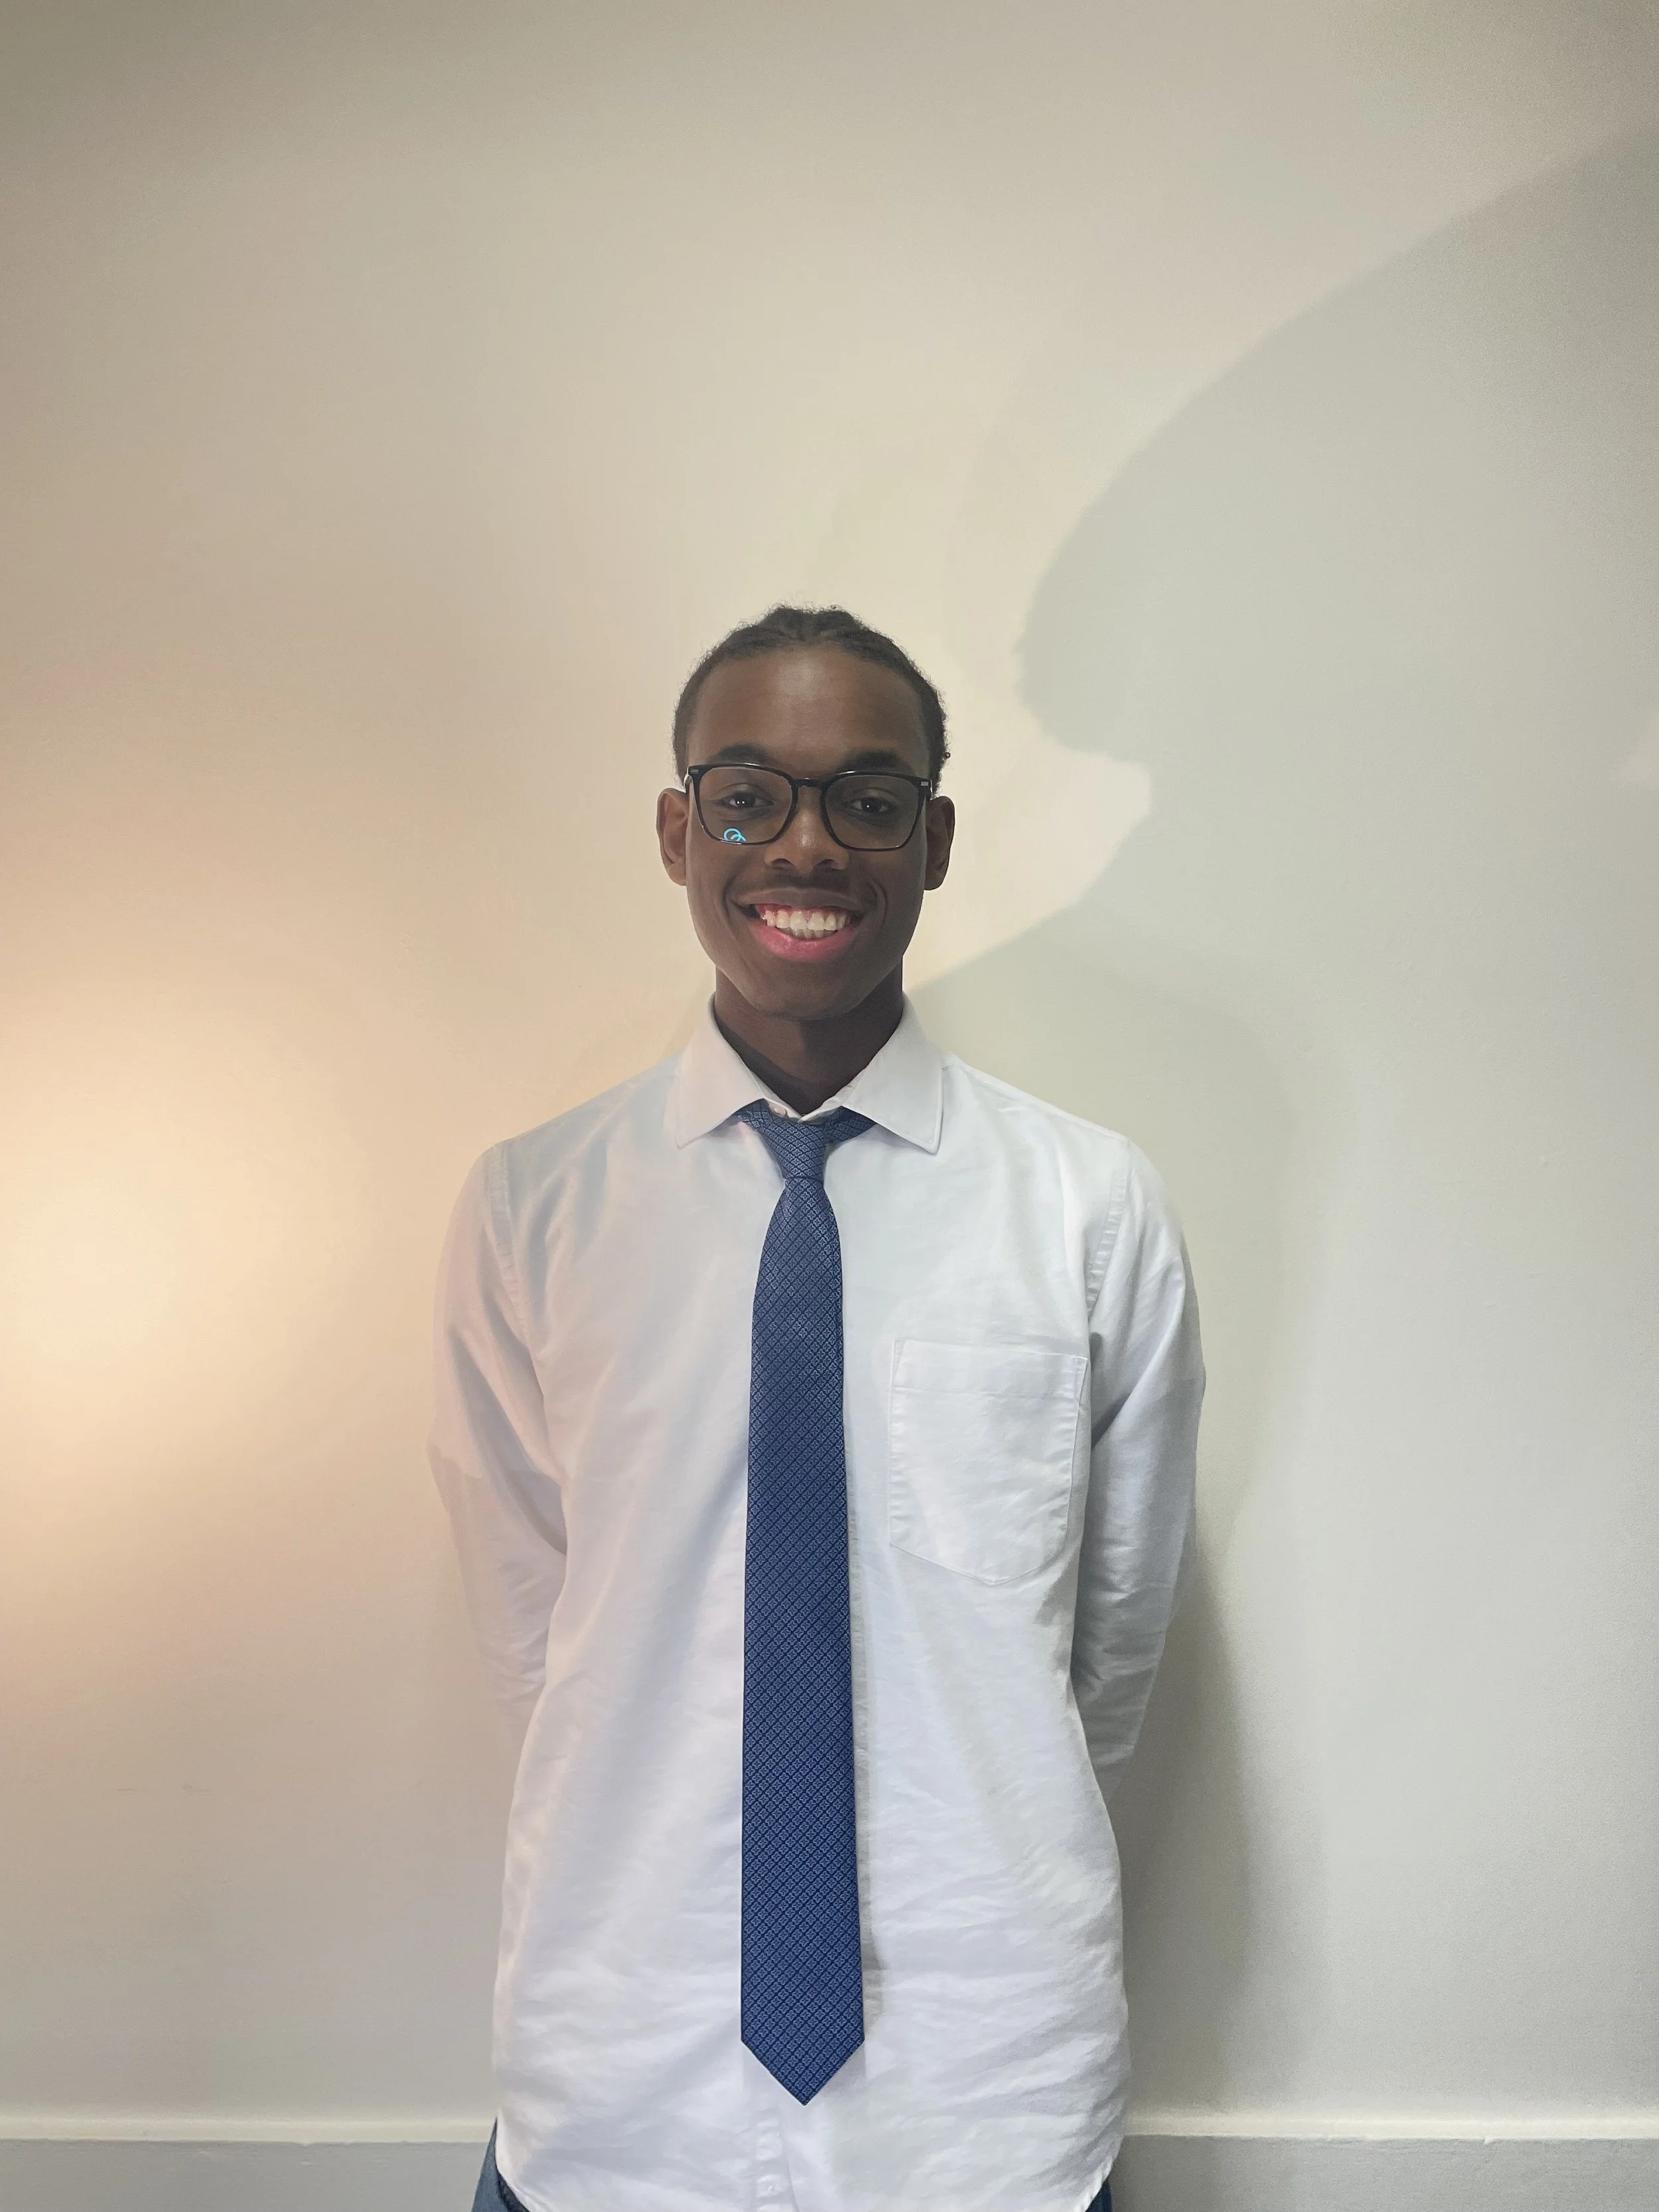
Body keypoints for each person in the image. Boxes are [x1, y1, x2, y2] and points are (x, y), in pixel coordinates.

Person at [431, 606, 1204, 2212]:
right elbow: (539, 1628)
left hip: (982, 2101)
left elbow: (1105, 1653)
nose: (802, 845)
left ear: (928, 838)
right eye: (746, 794)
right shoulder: (533, 1211)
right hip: (618, 2091)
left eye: (863, 797)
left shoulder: (1086, 1207)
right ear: (675, 829)